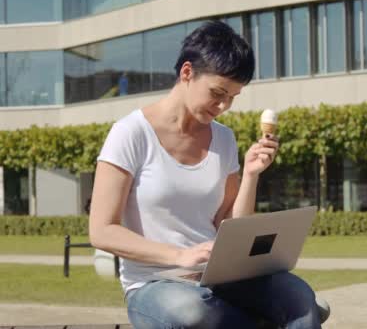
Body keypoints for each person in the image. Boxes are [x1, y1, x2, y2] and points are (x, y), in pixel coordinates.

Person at [89, 21, 321, 328]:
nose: (224, 105)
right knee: (196, 314)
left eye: (233, 96)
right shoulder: (130, 133)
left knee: (301, 299)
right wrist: (179, 255)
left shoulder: (224, 139)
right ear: (187, 73)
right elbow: (102, 230)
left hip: (218, 277)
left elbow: (229, 226)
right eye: (218, 92)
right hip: (154, 283)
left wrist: (251, 175)